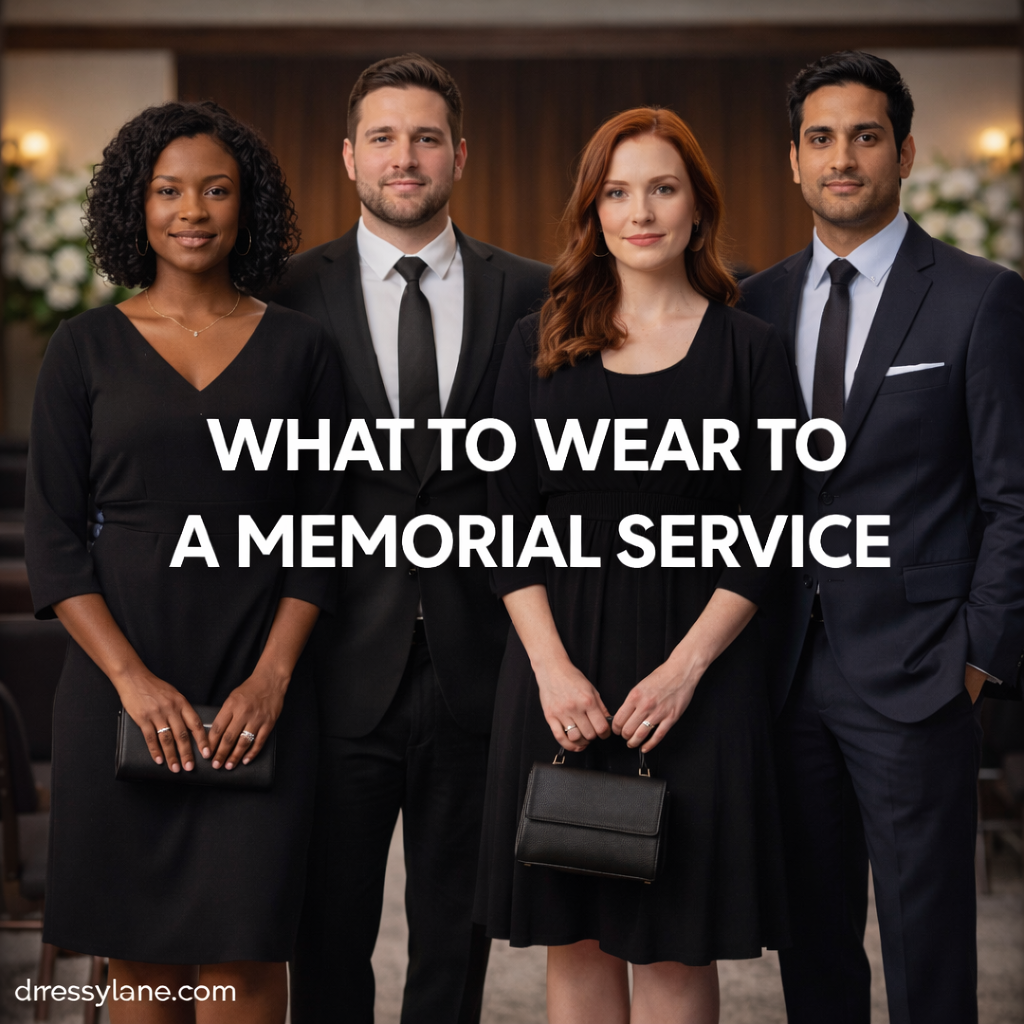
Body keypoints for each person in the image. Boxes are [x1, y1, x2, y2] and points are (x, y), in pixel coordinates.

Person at [474, 107, 796, 1024]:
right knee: (575, 931)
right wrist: (550, 669)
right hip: (557, 663)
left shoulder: (752, 350)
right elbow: (500, 518)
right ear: (593, 210)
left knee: (674, 939)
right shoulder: (537, 340)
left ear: (698, 207)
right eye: (617, 192)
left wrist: (685, 671)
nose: (640, 211)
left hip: (697, 671)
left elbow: (770, 529)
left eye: (662, 188)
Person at [24, 101, 343, 1024]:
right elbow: (52, 537)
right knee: (143, 967)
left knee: (245, 960)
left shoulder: (300, 348)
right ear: (137, 205)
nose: (192, 210)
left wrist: (272, 682)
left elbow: (325, 532)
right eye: (168, 191)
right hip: (119, 687)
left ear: (247, 209)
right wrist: (132, 682)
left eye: (216, 190)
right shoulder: (82, 348)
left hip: (258, 688)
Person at [740, 51, 1024, 1024]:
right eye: (820, 138)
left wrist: (977, 659)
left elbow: (1014, 500)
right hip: (783, 672)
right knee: (812, 943)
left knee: (926, 942)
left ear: (902, 151)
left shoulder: (978, 299)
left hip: (918, 675)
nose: (842, 157)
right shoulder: (756, 305)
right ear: (792, 160)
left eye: (864, 136)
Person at [267, 53, 549, 1024]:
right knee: (327, 932)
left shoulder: (531, 293)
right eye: (383, 137)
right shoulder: (284, 292)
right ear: (348, 157)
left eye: (425, 137)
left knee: (453, 935)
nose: (405, 156)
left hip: (482, 663)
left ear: (458, 155)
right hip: (335, 658)